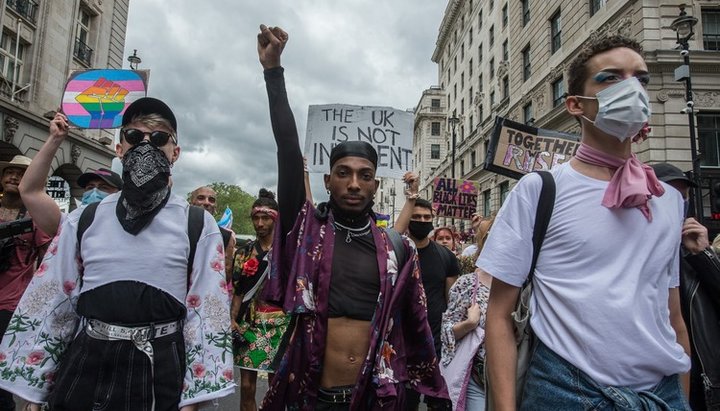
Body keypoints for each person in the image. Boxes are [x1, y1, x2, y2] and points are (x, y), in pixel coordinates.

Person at [479, 35, 691, 410]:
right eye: (611, 78)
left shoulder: (669, 199)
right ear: (576, 104)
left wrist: (681, 399)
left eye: (639, 79)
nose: (631, 88)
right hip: (567, 393)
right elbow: (498, 316)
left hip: (663, 395)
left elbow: (672, 312)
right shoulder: (539, 190)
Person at [0, 97, 234, 410]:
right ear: (119, 148)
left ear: (175, 153)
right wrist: (35, 389)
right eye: (135, 137)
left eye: (160, 138)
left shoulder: (196, 223)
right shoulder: (85, 218)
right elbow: (56, 298)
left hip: (159, 372)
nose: (146, 146)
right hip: (85, 366)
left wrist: (193, 400)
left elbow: (206, 311)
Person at [257, 24, 447, 410]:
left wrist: (438, 396)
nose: (354, 183)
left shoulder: (397, 250)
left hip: (375, 399)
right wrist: (273, 73)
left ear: (376, 185)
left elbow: (417, 325)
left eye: (365, 175)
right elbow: (288, 153)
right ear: (328, 181)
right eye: (343, 173)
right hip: (311, 396)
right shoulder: (310, 234)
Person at [652, 163, 720, 411]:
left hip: (702, 386)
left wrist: (704, 255)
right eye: (668, 196)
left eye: (682, 199)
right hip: (654, 384)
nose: (676, 205)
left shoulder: (694, 254)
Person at [395, 194, 458, 411]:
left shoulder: (447, 257)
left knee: (439, 401)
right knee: (405, 400)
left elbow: (452, 301)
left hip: (436, 340)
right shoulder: (398, 253)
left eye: (426, 217)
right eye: (416, 217)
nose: (422, 221)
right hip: (404, 339)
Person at [0, 155, 52, 411]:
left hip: (11, 305)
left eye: (20, 175)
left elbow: (47, 261)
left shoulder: (34, 218)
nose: (13, 178)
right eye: (9, 173)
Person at [18, 112, 123, 238]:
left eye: (103, 188)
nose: (94, 193)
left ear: (118, 194)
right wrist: (55, 138)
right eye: (90, 188)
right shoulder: (70, 224)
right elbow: (30, 191)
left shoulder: (125, 230)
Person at [230, 189, 289, 411]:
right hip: (248, 324)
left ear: (275, 219)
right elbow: (237, 291)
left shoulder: (287, 252)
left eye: (265, 218)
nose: (260, 223)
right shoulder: (244, 253)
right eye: (256, 218)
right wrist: (232, 320)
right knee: (246, 386)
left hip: (279, 325)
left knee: (276, 385)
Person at [441, 217, 496, 410]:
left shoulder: (527, 282)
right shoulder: (467, 284)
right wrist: (469, 324)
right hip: (477, 383)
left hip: (518, 379)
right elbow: (447, 331)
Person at [190, 185, 237, 282]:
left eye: (211, 200)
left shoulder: (226, 237)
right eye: (201, 198)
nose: (207, 202)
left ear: (215, 206)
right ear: (191, 202)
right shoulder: (179, 229)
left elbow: (226, 273)